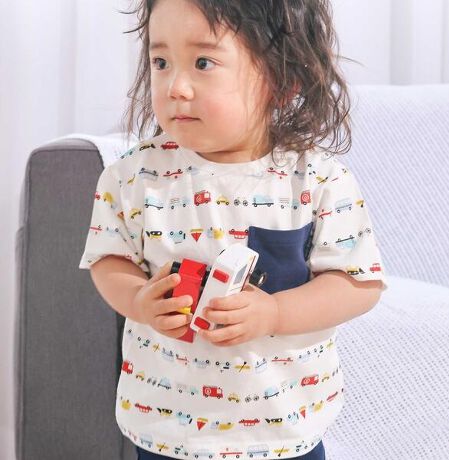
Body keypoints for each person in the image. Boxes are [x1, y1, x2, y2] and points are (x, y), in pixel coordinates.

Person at [79, 1, 388, 459]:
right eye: (161, 62)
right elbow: (109, 260)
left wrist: (275, 313)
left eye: (203, 62)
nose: (176, 87)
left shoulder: (318, 179)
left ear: (282, 80)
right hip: (167, 426)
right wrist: (138, 300)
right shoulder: (132, 176)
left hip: (283, 432)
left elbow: (357, 283)